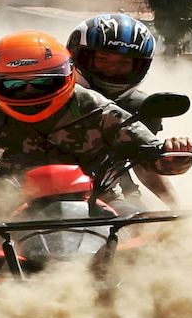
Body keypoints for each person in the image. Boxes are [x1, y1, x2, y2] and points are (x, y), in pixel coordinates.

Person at [0, 30, 192, 214]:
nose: (29, 92)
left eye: (43, 82)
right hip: (13, 212)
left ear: (66, 75)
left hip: (102, 203)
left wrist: (176, 154)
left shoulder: (94, 105)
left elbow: (151, 155)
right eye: (13, 84)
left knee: (155, 245)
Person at [67, 13, 177, 206]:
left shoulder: (139, 108)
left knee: (143, 222)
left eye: (123, 63)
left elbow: (143, 163)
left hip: (112, 191)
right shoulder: (47, 95)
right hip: (39, 191)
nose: (112, 68)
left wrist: (179, 209)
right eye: (102, 58)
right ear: (80, 55)